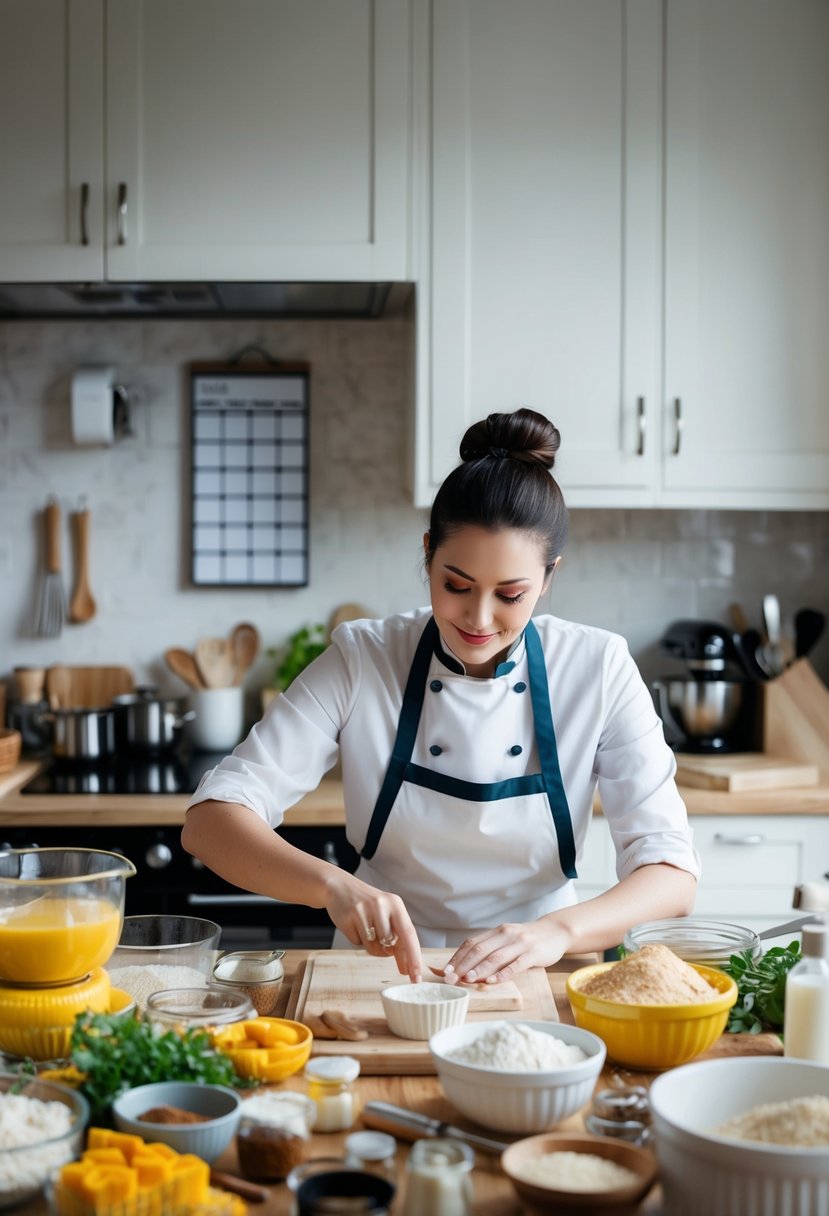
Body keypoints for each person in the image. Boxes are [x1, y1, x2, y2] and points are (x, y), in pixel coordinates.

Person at [182, 408, 699, 986]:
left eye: (511, 594)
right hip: (382, 970)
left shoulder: (597, 668)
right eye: (456, 585)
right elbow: (211, 822)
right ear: (427, 551)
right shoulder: (366, 657)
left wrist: (557, 932)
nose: (478, 618)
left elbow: (672, 874)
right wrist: (334, 886)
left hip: (543, 969)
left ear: (549, 577)